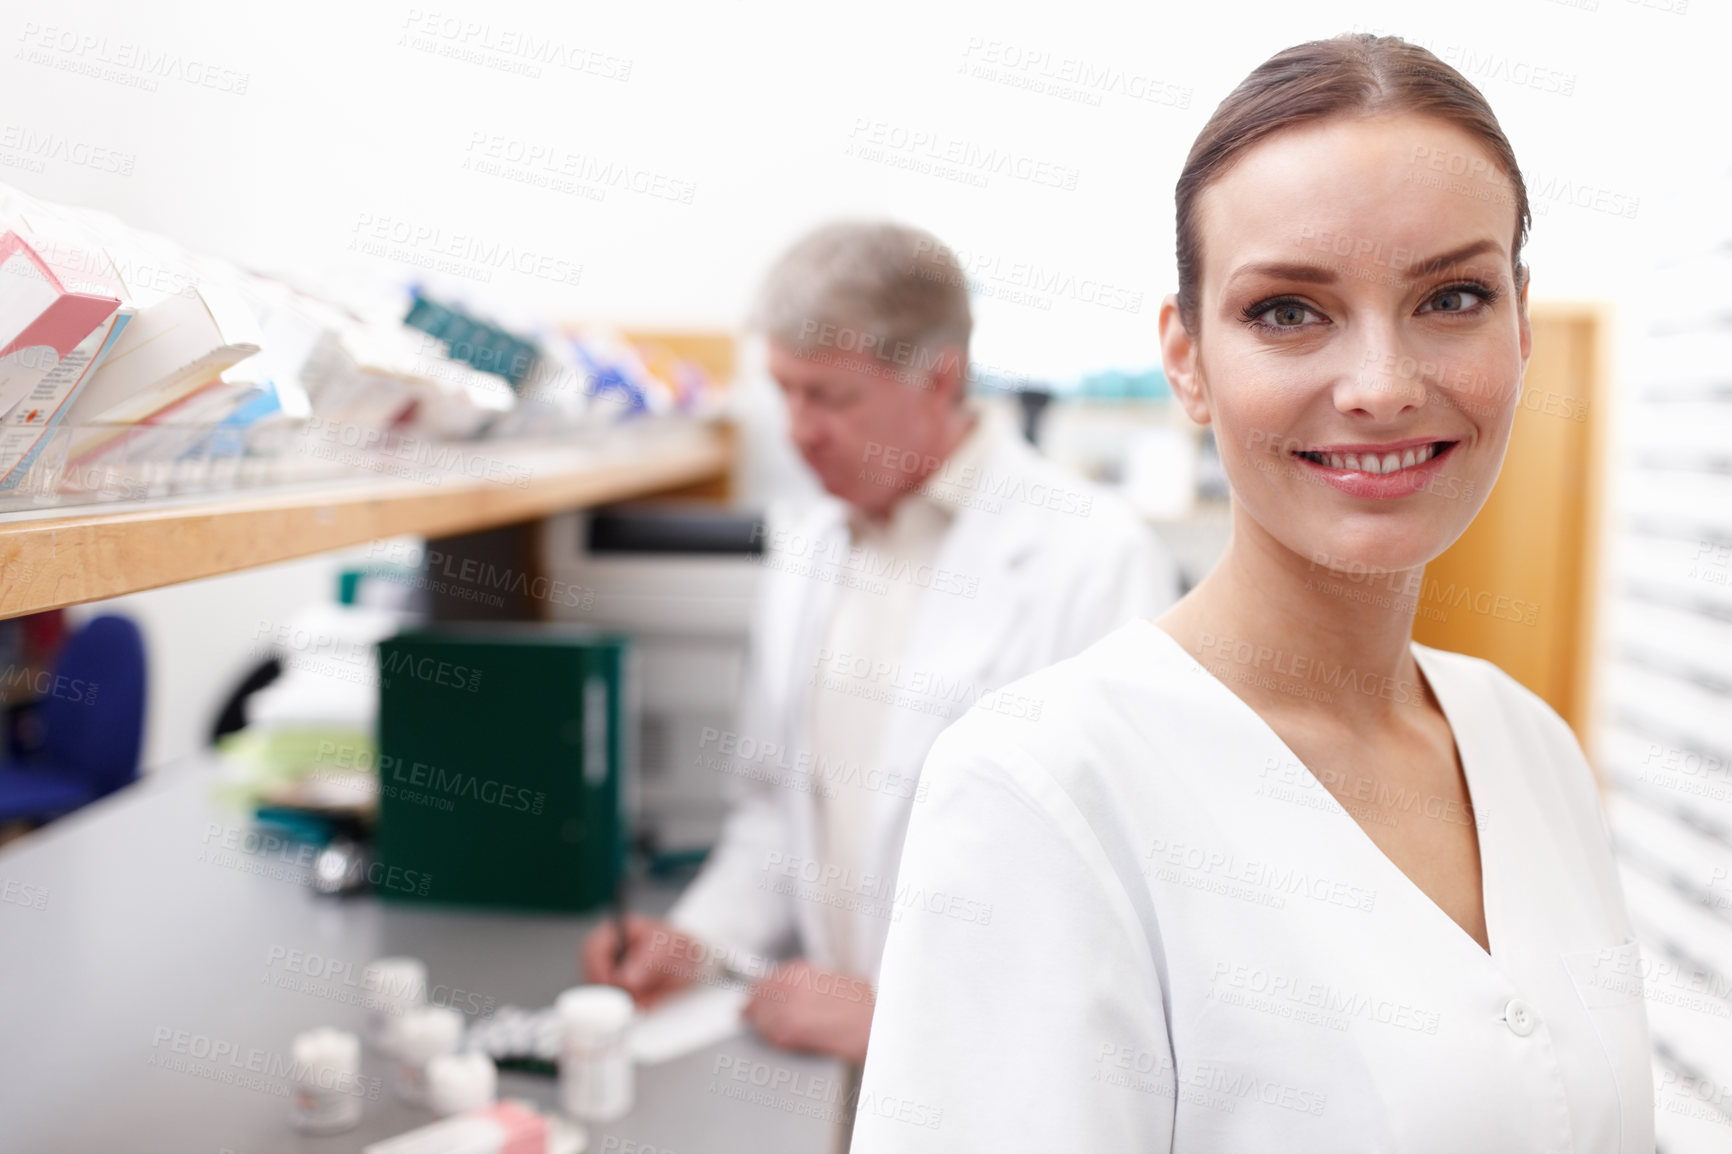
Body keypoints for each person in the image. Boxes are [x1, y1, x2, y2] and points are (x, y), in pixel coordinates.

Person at [852, 34, 1653, 1153]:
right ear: (1184, 358)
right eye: (1287, 310)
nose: (1379, 385)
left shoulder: (1532, 749)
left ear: (1520, 325)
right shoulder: (1042, 787)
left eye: (1452, 296)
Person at [580, 222, 1183, 1069]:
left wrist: (901, 1020)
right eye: (784, 392)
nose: (799, 431)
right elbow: (773, 813)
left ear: (939, 377)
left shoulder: (1093, 557)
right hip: (832, 1055)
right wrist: (696, 938)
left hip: (1001, 1079)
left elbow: (1116, 899)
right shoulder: (811, 545)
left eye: (830, 396)